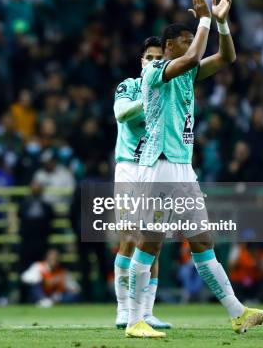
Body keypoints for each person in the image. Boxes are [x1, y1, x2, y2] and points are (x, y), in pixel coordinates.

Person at [125, 0, 263, 338]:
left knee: (202, 241)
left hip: (180, 167)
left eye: (194, 36)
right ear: (169, 47)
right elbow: (193, 58)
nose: (193, 42)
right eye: (186, 38)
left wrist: (221, 24)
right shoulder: (155, 72)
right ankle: (134, 320)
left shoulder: (187, 73)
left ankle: (238, 313)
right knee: (149, 242)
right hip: (159, 165)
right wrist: (205, 17)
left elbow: (226, 59)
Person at [112, 36, 171, 330]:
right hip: (128, 169)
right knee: (130, 237)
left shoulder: (171, 88)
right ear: (141, 61)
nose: (153, 62)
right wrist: (148, 97)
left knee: (153, 242)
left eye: (159, 59)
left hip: (156, 167)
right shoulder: (129, 86)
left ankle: (146, 312)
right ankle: (124, 310)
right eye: (149, 57)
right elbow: (121, 114)